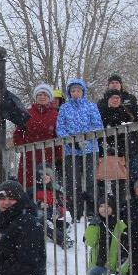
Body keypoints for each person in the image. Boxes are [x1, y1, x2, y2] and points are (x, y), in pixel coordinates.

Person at [56, 78, 103, 218]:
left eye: (78, 90)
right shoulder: (64, 108)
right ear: (69, 93)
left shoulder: (91, 106)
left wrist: (87, 139)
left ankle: (92, 209)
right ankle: (76, 211)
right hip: (71, 150)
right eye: (73, 91)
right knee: (73, 181)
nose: (76, 93)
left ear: (83, 92)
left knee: (90, 180)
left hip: (90, 148)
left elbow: (98, 126)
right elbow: (60, 128)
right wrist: (71, 141)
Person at [97, 88, 138, 200]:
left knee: (129, 179)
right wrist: (107, 146)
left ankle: (129, 207)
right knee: (110, 181)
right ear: (108, 99)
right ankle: (111, 209)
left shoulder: (126, 111)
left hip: (127, 149)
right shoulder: (102, 112)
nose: (115, 100)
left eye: (117, 98)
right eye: (112, 98)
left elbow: (137, 125)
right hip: (109, 151)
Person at [84, 196, 129, 275]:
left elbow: (125, 246)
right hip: (99, 259)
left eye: (107, 206)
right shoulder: (97, 223)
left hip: (112, 261)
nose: (104, 209)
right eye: (101, 206)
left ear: (113, 208)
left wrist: (121, 264)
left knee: (92, 274)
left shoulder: (120, 225)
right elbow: (89, 241)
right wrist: (93, 225)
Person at [14, 83, 61, 189]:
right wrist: (22, 148)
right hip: (28, 157)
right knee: (27, 185)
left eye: (45, 94)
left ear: (49, 98)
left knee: (47, 186)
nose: (42, 97)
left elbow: (58, 136)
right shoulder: (26, 113)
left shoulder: (55, 115)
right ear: (36, 97)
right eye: (40, 94)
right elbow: (18, 133)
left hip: (48, 156)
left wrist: (59, 155)